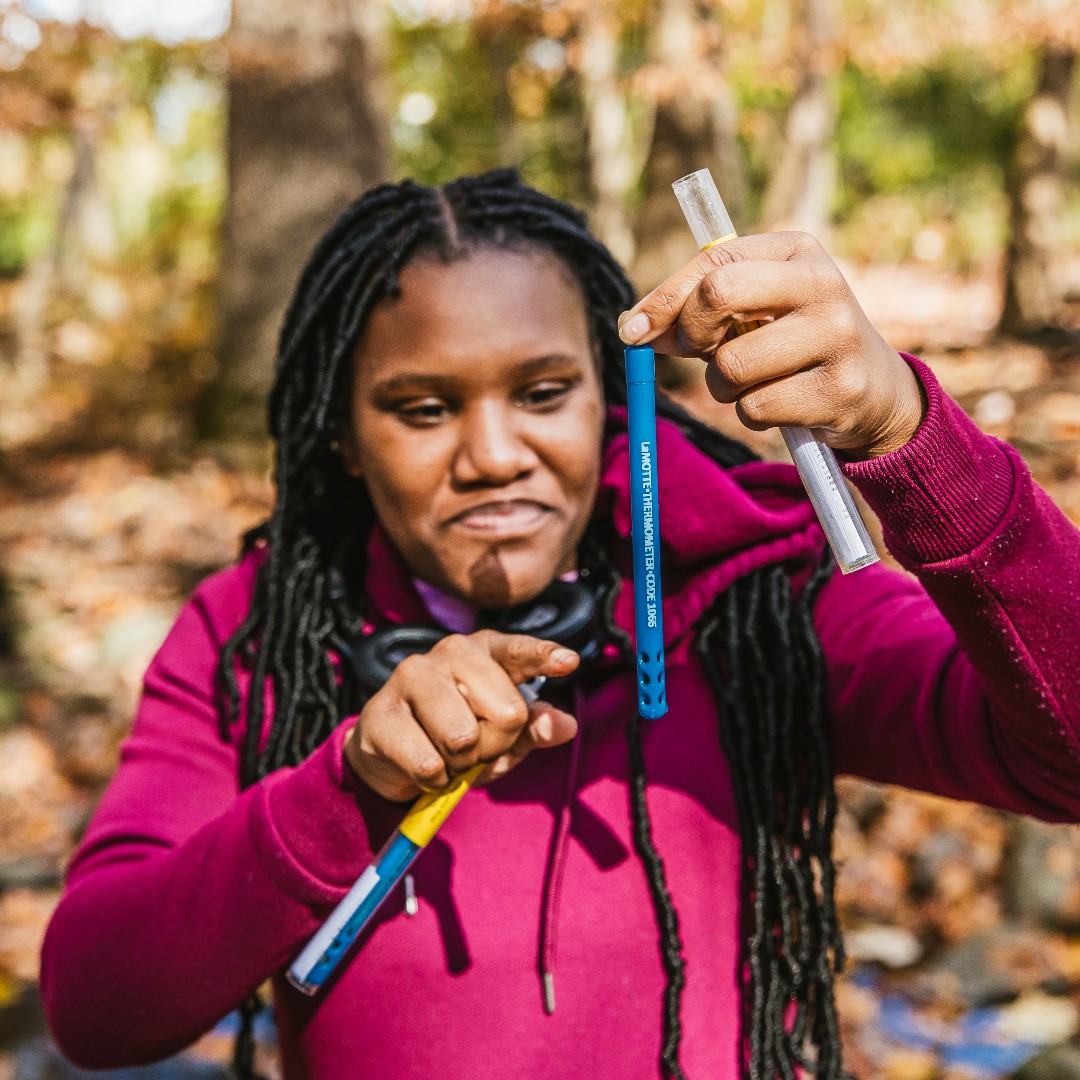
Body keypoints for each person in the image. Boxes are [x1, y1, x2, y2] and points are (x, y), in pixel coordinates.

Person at [39, 170, 1080, 1080]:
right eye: (421, 407)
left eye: (543, 391)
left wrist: (912, 434)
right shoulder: (249, 637)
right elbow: (94, 1009)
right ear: (343, 437)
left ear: (608, 398)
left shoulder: (758, 592)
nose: (493, 453)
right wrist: (346, 784)